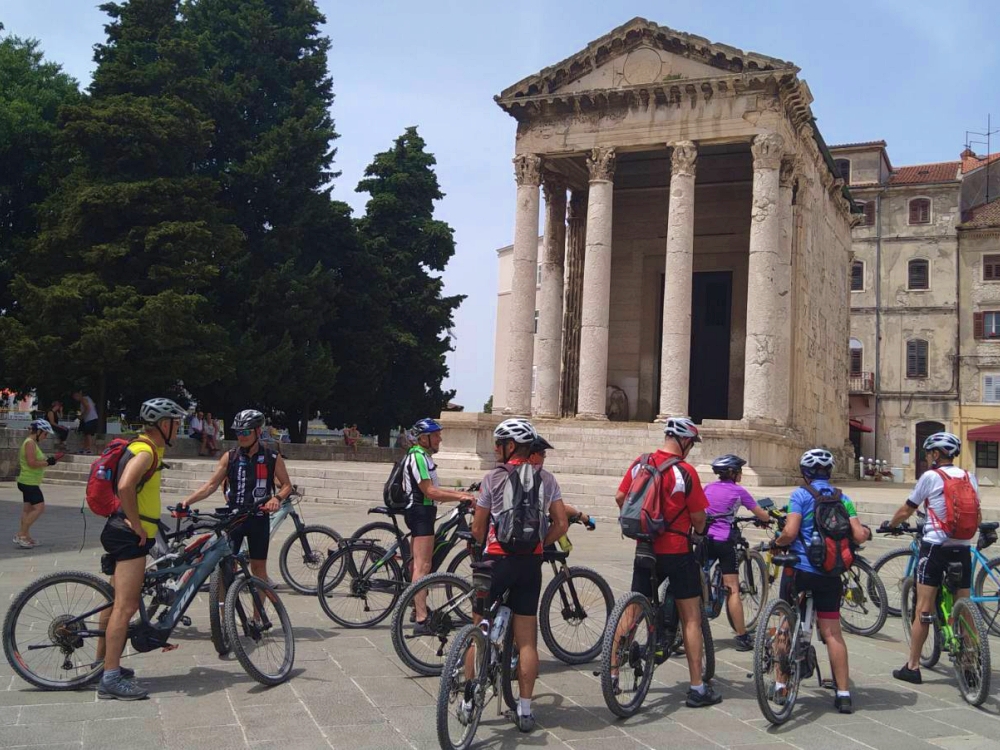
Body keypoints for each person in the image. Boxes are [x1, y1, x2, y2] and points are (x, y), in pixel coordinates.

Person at [614, 416, 721, 708]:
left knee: (632, 610)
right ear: (684, 441)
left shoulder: (640, 463)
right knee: (691, 618)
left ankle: (612, 672)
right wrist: (699, 533)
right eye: (691, 444)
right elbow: (698, 517)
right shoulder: (685, 471)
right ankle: (697, 688)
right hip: (677, 550)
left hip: (645, 548)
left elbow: (621, 497)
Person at [471, 418, 569, 732]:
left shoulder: (493, 478)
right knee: (527, 641)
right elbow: (561, 524)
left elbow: (478, 527)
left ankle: (468, 702)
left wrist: (482, 544)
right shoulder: (547, 479)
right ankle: (525, 711)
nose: (495, 449)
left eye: (499, 444)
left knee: (477, 629)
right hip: (530, 565)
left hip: (497, 561)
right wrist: (540, 544)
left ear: (510, 446)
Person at [96, 397, 187, 700]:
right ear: (164, 424)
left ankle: (101, 664)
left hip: (120, 531)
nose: (179, 428)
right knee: (126, 606)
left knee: (113, 603)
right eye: (176, 423)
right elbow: (125, 486)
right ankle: (110, 678)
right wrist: (136, 525)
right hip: (129, 536)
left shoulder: (143, 447)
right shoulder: (145, 452)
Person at [771, 448, 870, 714]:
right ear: (829, 471)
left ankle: (780, 686)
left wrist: (777, 542)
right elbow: (859, 535)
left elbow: (790, 532)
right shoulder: (843, 498)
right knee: (833, 633)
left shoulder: (800, 495)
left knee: (785, 625)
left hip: (800, 570)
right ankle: (844, 693)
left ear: (805, 473)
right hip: (830, 572)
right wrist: (867, 532)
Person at [883, 432, 980, 686]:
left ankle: (913, 666)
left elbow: (908, 509)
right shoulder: (969, 477)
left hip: (935, 547)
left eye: (928, 453)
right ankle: (971, 666)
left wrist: (891, 524)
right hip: (962, 547)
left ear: (936, 454)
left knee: (923, 608)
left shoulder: (930, 477)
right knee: (964, 604)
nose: (927, 458)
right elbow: (977, 514)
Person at [179, 409, 294, 588]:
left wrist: (276, 499)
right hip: (233, 520)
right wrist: (187, 501)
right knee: (225, 569)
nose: (241, 436)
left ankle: (257, 608)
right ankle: (223, 606)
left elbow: (287, 485)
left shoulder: (271, 457)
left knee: (259, 570)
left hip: (258, 519)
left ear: (257, 431)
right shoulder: (230, 456)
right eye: (238, 432)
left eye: (246, 432)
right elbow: (211, 485)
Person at [403, 418, 477, 633]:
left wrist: (459, 493)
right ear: (423, 438)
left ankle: (417, 605)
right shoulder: (418, 456)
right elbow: (430, 491)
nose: (440, 439)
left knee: (418, 565)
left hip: (423, 512)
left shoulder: (423, 456)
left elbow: (434, 489)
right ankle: (421, 618)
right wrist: (459, 496)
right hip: (421, 513)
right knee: (423, 566)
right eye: (436, 435)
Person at [702, 454, 772, 651]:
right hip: (725, 541)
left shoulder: (708, 488)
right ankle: (741, 637)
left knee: (700, 574)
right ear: (733, 473)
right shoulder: (739, 491)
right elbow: (761, 514)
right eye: (739, 471)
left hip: (705, 539)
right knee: (732, 588)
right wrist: (767, 518)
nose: (741, 474)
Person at [14, 419, 61, 548]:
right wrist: (48, 463)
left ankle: (26, 536)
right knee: (39, 508)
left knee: (28, 509)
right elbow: (32, 463)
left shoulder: (31, 442)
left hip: (29, 481)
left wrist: (49, 461)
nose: (46, 437)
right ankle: (21, 534)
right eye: (45, 434)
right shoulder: (30, 443)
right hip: (29, 482)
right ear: (39, 431)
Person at [72, 389, 98, 454]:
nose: (75, 398)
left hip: (90, 419)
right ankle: (85, 447)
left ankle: (88, 449)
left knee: (88, 434)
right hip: (90, 419)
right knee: (86, 434)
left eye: (76, 396)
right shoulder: (88, 398)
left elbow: (88, 408)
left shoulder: (83, 399)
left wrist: (81, 417)